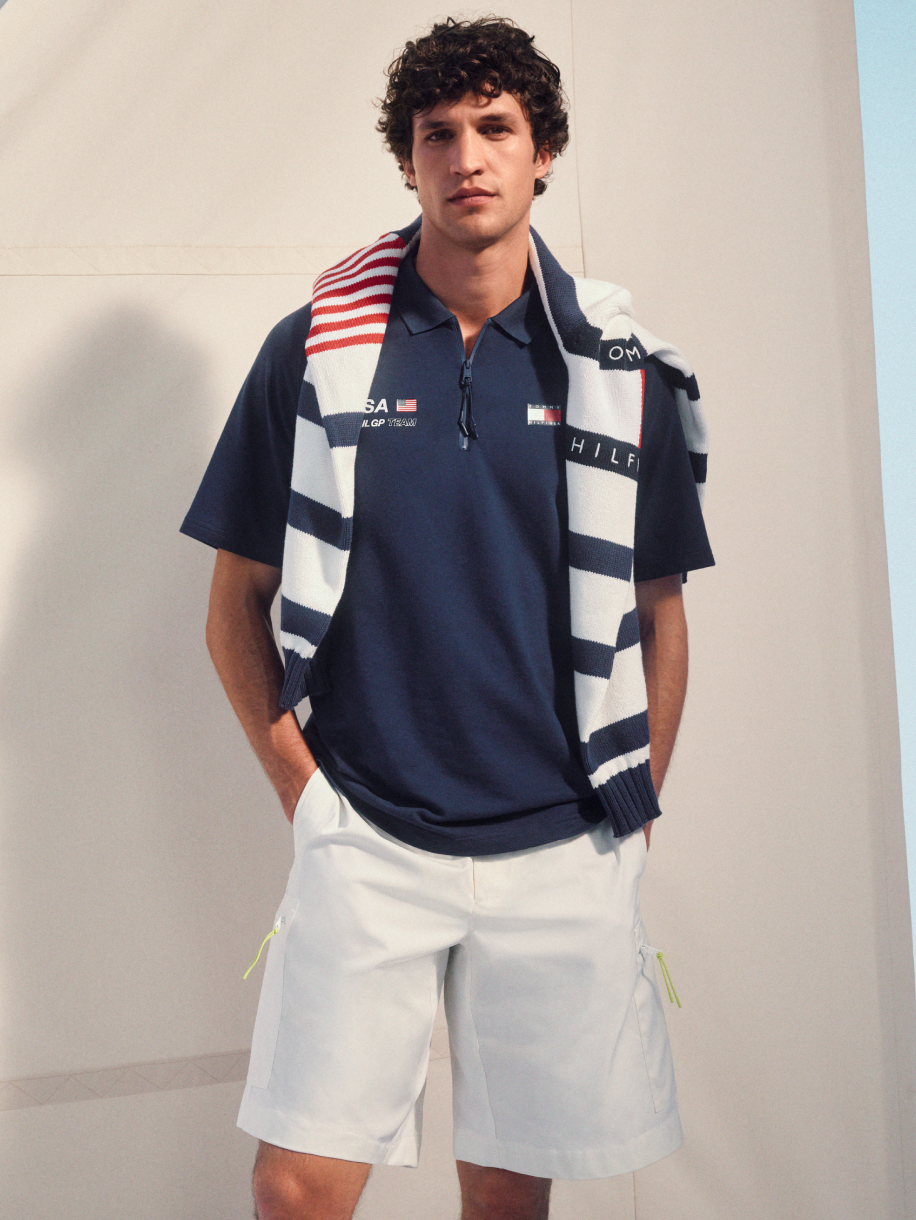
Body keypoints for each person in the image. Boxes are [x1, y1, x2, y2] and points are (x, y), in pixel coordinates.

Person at [181, 16, 713, 1220]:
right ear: (407, 159)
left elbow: (659, 607)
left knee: (507, 1195)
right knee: (296, 1188)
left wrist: (635, 805)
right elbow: (233, 598)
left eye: (494, 128)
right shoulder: (317, 352)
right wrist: (303, 790)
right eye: (437, 133)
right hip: (367, 826)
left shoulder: (618, 371)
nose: (466, 156)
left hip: (560, 836)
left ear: (541, 152)